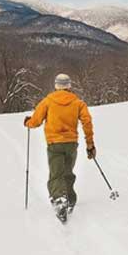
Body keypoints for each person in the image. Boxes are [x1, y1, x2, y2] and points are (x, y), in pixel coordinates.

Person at [24, 73, 96, 222]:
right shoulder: (77, 102)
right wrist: (90, 144)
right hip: (71, 143)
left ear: (56, 86)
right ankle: (70, 199)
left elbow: (36, 121)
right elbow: (87, 122)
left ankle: (59, 200)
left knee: (56, 174)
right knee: (68, 171)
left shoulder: (48, 101)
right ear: (69, 86)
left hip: (54, 143)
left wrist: (28, 123)